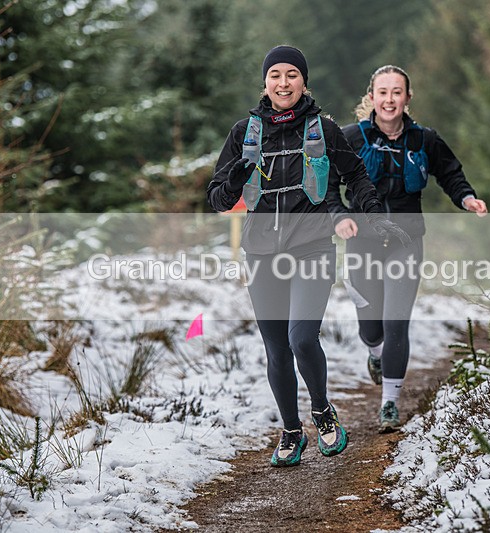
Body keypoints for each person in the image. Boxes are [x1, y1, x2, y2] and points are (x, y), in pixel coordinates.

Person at [207, 47, 409, 467]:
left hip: (312, 246)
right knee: (277, 349)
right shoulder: (244, 132)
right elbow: (217, 200)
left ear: (304, 82)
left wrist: (375, 216)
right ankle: (291, 431)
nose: (283, 83)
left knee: (301, 338)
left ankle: (322, 410)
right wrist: (233, 182)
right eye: (275, 75)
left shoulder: (324, 129)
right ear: (265, 82)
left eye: (292, 75)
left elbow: (355, 175)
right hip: (261, 252)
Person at [327, 65, 488, 433]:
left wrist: (466, 198)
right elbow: (329, 184)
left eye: (396, 92)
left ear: (407, 98)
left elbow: (450, 174)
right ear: (372, 97)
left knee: (396, 322)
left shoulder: (424, 139)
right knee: (371, 327)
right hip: (363, 241)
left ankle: (390, 403)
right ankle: (375, 353)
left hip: (406, 242)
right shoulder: (351, 137)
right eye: (383, 92)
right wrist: (339, 217)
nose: (389, 100)